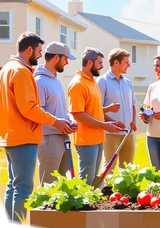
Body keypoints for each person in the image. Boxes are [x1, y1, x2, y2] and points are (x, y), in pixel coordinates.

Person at [0, 31, 74, 223]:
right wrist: (55, 121)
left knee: (13, 187)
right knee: (23, 189)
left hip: (10, 135)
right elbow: (29, 108)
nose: (40, 56)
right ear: (29, 49)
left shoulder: (6, 69)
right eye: (39, 51)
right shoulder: (21, 71)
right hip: (23, 137)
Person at [68, 47, 124, 185]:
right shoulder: (78, 84)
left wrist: (112, 122)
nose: (102, 66)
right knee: (86, 181)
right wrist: (105, 125)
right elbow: (78, 114)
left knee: (93, 181)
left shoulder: (92, 82)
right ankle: (83, 206)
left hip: (98, 139)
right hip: (86, 141)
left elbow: (95, 110)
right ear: (89, 63)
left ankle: (91, 205)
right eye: (99, 63)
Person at [34, 42, 79, 185]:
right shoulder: (39, 82)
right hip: (48, 140)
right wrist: (57, 124)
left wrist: (70, 120)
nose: (66, 63)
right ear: (55, 58)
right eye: (65, 59)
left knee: (63, 185)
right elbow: (36, 113)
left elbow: (62, 110)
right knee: (48, 186)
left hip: (63, 137)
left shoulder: (57, 80)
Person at [97, 48, 137, 172]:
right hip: (110, 134)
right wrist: (112, 123)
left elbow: (133, 105)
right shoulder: (102, 82)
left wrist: (133, 121)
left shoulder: (128, 83)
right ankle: (108, 191)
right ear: (116, 62)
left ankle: (125, 192)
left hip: (128, 133)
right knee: (109, 168)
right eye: (126, 62)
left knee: (127, 168)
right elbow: (97, 109)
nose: (129, 65)